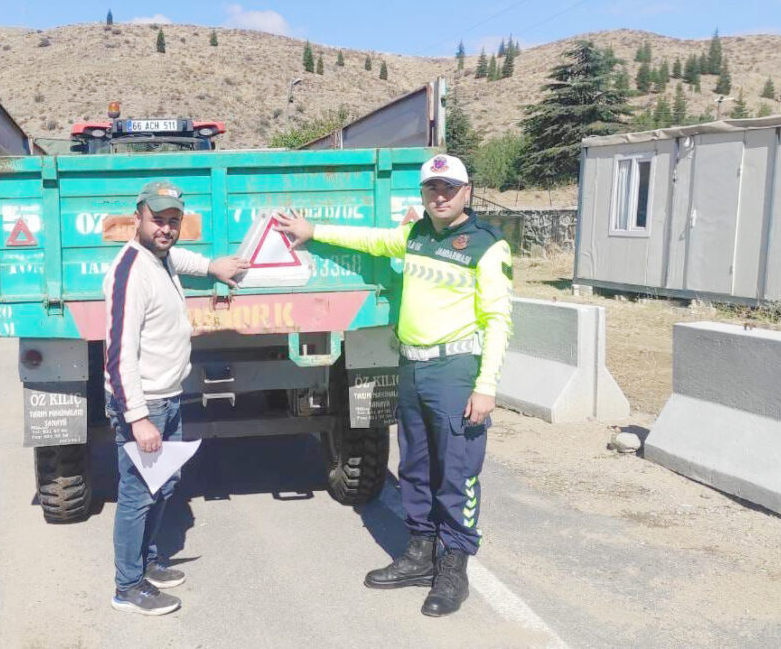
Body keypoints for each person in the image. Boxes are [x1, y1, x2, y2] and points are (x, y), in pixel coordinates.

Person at [276, 154, 512, 617]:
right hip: (412, 367)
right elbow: (371, 239)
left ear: (467, 192)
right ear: (423, 194)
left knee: (457, 472)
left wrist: (486, 385)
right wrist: (314, 231)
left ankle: (453, 567)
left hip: (455, 370)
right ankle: (420, 554)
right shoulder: (416, 234)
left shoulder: (487, 245)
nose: (440, 196)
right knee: (415, 467)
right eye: (432, 188)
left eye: (449, 188)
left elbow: (499, 319)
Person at [104, 180, 248, 616]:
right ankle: (128, 587)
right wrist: (137, 418)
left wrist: (212, 267)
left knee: (164, 485)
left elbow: (179, 258)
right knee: (137, 496)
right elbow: (118, 354)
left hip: (168, 398)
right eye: (157, 219)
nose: (165, 228)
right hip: (145, 404)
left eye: (173, 221)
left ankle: (147, 562)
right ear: (138, 218)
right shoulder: (130, 272)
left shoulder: (160, 258)